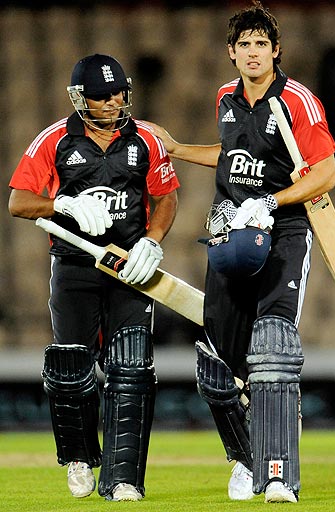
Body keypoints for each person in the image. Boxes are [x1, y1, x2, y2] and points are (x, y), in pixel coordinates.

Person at [147, 1, 335, 504]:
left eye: (261, 44)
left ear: (276, 51)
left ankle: (276, 473)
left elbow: (325, 172)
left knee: (272, 345)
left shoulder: (297, 99)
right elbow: (229, 155)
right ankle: (243, 458)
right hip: (229, 228)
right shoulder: (225, 98)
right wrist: (180, 148)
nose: (253, 53)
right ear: (231, 53)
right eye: (244, 45)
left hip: (285, 229)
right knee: (216, 359)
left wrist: (270, 202)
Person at [8, 54, 179, 502]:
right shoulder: (55, 140)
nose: (112, 103)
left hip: (131, 267)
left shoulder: (146, 140)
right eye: (102, 97)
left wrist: (153, 241)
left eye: (118, 94)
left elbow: (166, 198)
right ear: (81, 98)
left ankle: (124, 478)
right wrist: (60, 205)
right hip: (74, 265)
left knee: (132, 368)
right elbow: (18, 202)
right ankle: (81, 457)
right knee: (72, 369)